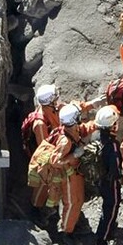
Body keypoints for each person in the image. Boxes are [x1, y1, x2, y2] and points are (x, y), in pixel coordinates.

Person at [29, 85, 98, 223]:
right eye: (55, 99)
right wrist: (68, 155)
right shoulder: (40, 124)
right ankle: (37, 209)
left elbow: (73, 110)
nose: (58, 101)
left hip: (61, 149)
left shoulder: (58, 110)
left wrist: (92, 105)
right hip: (50, 156)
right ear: (50, 102)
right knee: (45, 184)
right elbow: (46, 150)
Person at [49, 104, 97, 245]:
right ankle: (67, 232)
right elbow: (55, 161)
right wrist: (74, 155)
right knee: (72, 203)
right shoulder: (65, 141)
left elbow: (83, 129)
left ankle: (73, 223)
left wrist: (98, 123)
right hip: (68, 177)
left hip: (76, 174)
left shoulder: (71, 131)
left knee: (79, 200)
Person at [93, 106, 123, 245]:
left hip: (100, 180)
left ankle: (108, 229)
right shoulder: (113, 145)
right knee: (111, 207)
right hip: (111, 183)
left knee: (107, 206)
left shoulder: (96, 137)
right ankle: (102, 239)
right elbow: (116, 168)